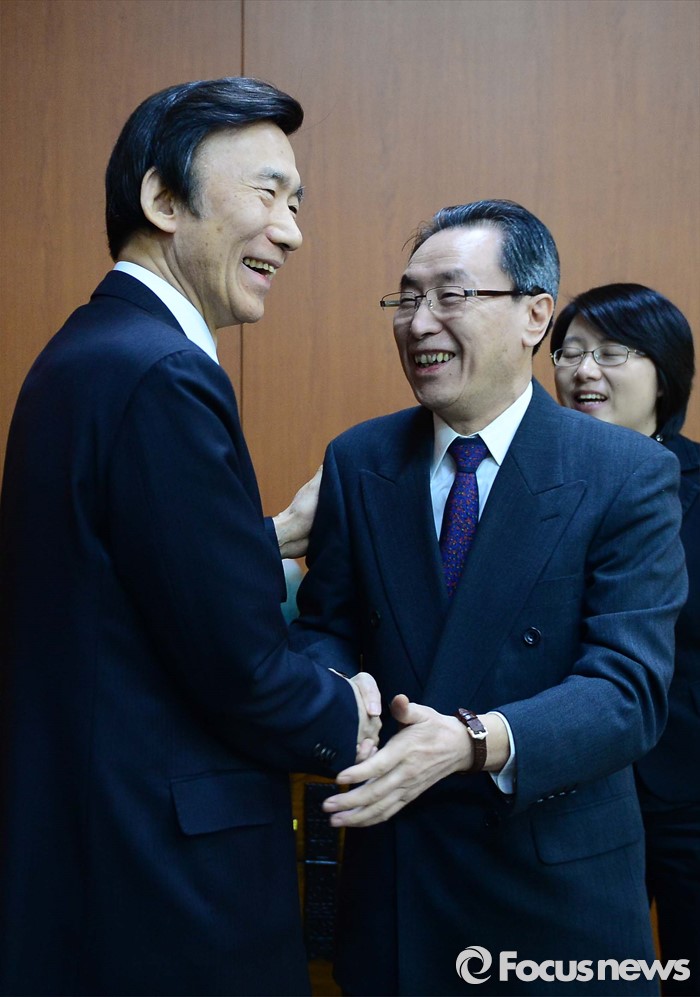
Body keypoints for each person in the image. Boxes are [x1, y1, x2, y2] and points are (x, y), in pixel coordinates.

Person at [0, 77, 381, 997]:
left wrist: (264, 536)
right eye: (267, 195)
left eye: (297, 204)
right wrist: (349, 713)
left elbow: (115, 587)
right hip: (165, 886)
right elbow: (239, 669)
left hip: (88, 853)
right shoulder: (165, 374)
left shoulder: (88, 351)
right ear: (163, 200)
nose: (291, 233)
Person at [290, 201, 688, 995]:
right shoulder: (359, 459)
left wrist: (474, 741)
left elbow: (629, 690)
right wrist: (342, 689)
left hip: (552, 894)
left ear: (535, 314)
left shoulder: (625, 472)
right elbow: (324, 626)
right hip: (400, 880)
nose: (419, 323)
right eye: (407, 298)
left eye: (452, 295)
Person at [551, 283, 699, 997]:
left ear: (664, 375)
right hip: (566, 788)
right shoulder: (533, 482)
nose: (585, 371)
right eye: (570, 352)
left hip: (686, 792)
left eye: (612, 353)